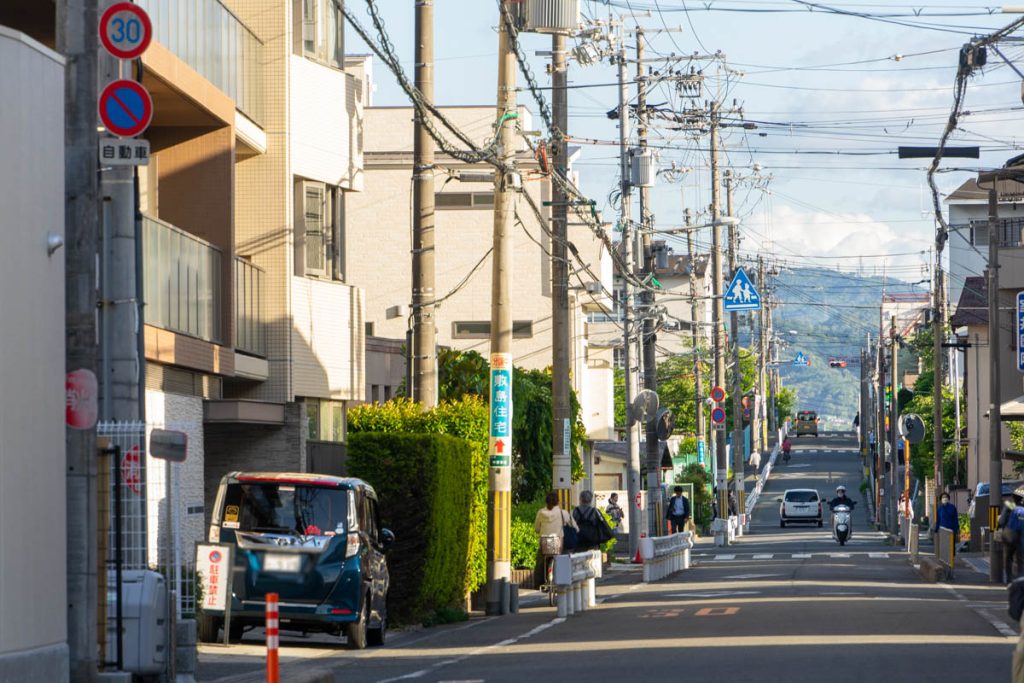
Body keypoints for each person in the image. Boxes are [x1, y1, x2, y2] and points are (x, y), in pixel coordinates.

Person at [534, 491, 577, 585]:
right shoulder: (563, 513)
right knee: (564, 557)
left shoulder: (541, 513)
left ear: (546, 501)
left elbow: (536, 529)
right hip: (558, 545)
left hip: (545, 544)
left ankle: (539, 583)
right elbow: (574, 526)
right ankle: (563, 581)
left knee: (540, 562)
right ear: (558, 501)